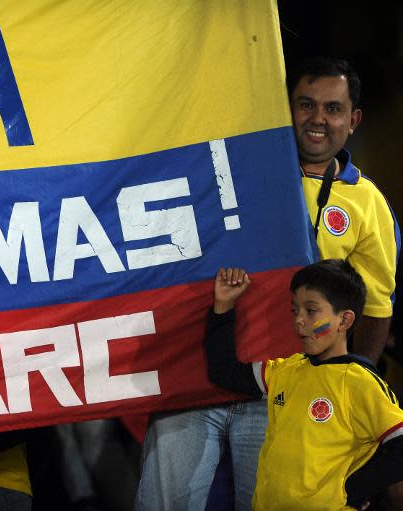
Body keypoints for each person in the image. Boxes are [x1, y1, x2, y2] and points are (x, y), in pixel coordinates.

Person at [134, 56, 399, 511]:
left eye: (332, 108)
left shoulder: (369, 203)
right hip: (194, 375)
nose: (318, 119)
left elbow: (376, 307)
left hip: (281, 393)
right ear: (286, 107)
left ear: (352, 120)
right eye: (305, 104)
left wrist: (346, 383)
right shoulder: (225, 168)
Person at [206, 261, 403, 508]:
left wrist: (350, 490)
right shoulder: (285, 371)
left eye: (311, 311)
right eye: (294, 310)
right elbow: (224, 372)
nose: (299, 320)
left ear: (344, 321)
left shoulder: (359, 381)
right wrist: (223, 307)